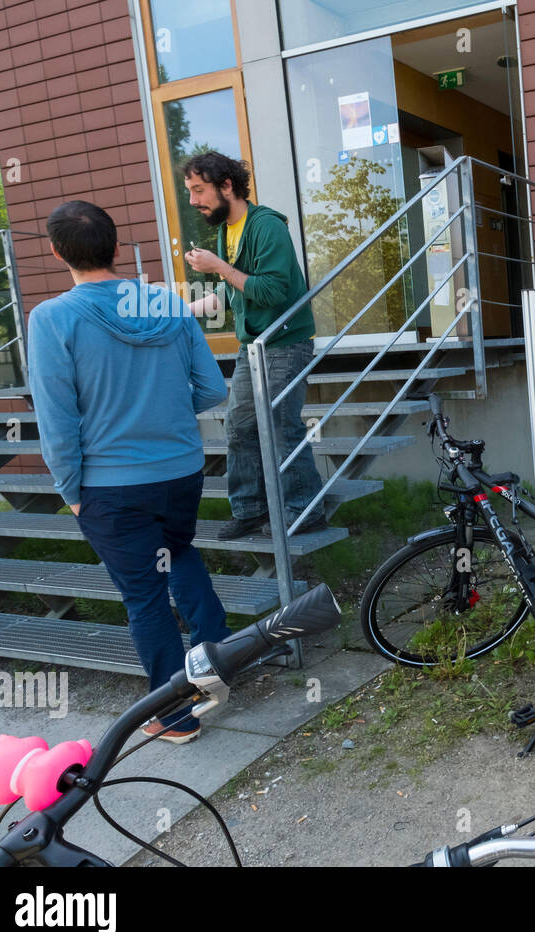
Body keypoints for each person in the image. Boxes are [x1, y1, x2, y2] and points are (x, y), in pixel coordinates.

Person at [27, 200, 232, 743]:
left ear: (56, 252)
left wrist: (70, 490)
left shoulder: (51, 319)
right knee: (180, 554)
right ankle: (225, 664)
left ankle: (176, 716)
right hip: (181, 470)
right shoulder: (165, 302)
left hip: (111, 486)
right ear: (117, 247)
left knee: (144, 595)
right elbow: (213, 389)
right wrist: (162, 415)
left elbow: (57, 419)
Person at [180, 151, 327, 539]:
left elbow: (272, 291)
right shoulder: (226, 230)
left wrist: (219, 268)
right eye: (190, 192)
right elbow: (235, 294)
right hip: (254, 346)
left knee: (281, 425)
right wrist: (181, 309)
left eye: (199, 190)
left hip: (286, 341)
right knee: (240, 427)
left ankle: (306, 509)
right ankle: (250, 510)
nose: (193, 200)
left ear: (227, 186)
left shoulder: (266, 227)